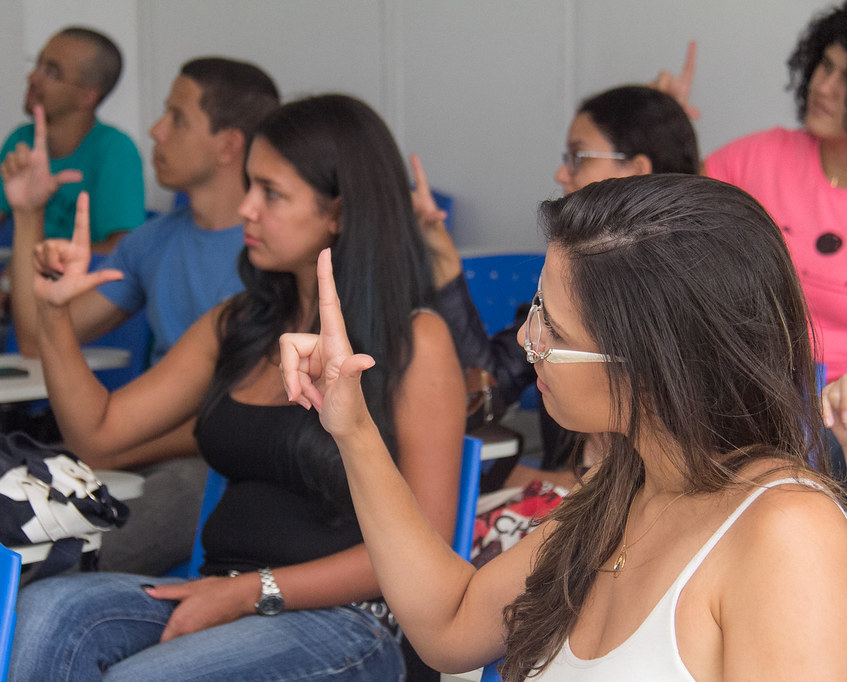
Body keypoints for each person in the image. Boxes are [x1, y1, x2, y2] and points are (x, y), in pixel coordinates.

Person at [283, 173, 847, 680]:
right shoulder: (624, 489)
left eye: (553, 327)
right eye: (536, 307)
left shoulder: (788, 533)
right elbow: (450, 625)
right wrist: (353, 427)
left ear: (651, 365)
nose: (528, 339)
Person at [7, 94, 465, 680]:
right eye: (250, 184)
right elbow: (99, 436)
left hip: (355, 622)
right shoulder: (240, 322)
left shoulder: (414, 340)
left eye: (271, 193)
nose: (246, 208)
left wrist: (254, 591)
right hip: (223, 594)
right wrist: (53, 316)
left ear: (340, 213)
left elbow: (427, 549)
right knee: (43, 613)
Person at [1, 57, 280, 576]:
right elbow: (35, 340)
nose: (155, 130)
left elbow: (235, 426)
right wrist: (26, 214)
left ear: (228, 145)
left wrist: (113, 449)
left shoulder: (275, 258)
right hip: (133, 442)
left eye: (177, 118)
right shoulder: (152, 241)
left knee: (173, 496)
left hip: (214, 463)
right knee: (4, 477)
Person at [418, 85, 699, 470]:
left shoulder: (694, 307)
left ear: (636, 170)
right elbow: (491, 381)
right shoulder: (568, 278)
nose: (561, 173)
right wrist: (444, 264)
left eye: (578, 157)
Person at [658, 5, 847, 385]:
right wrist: (658, 124)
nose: (823, 87)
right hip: (745, 390)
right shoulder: (757, 157)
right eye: (826, 67)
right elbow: (659, 222)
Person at [0, 26, 145, 351]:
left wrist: (21, 270)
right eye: (38, 65)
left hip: (78, 325)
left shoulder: (116, 151)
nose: (33, 78)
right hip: (20, 312)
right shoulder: (21, 140)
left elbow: (124, 249)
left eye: (52, 72)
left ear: (87, 95)